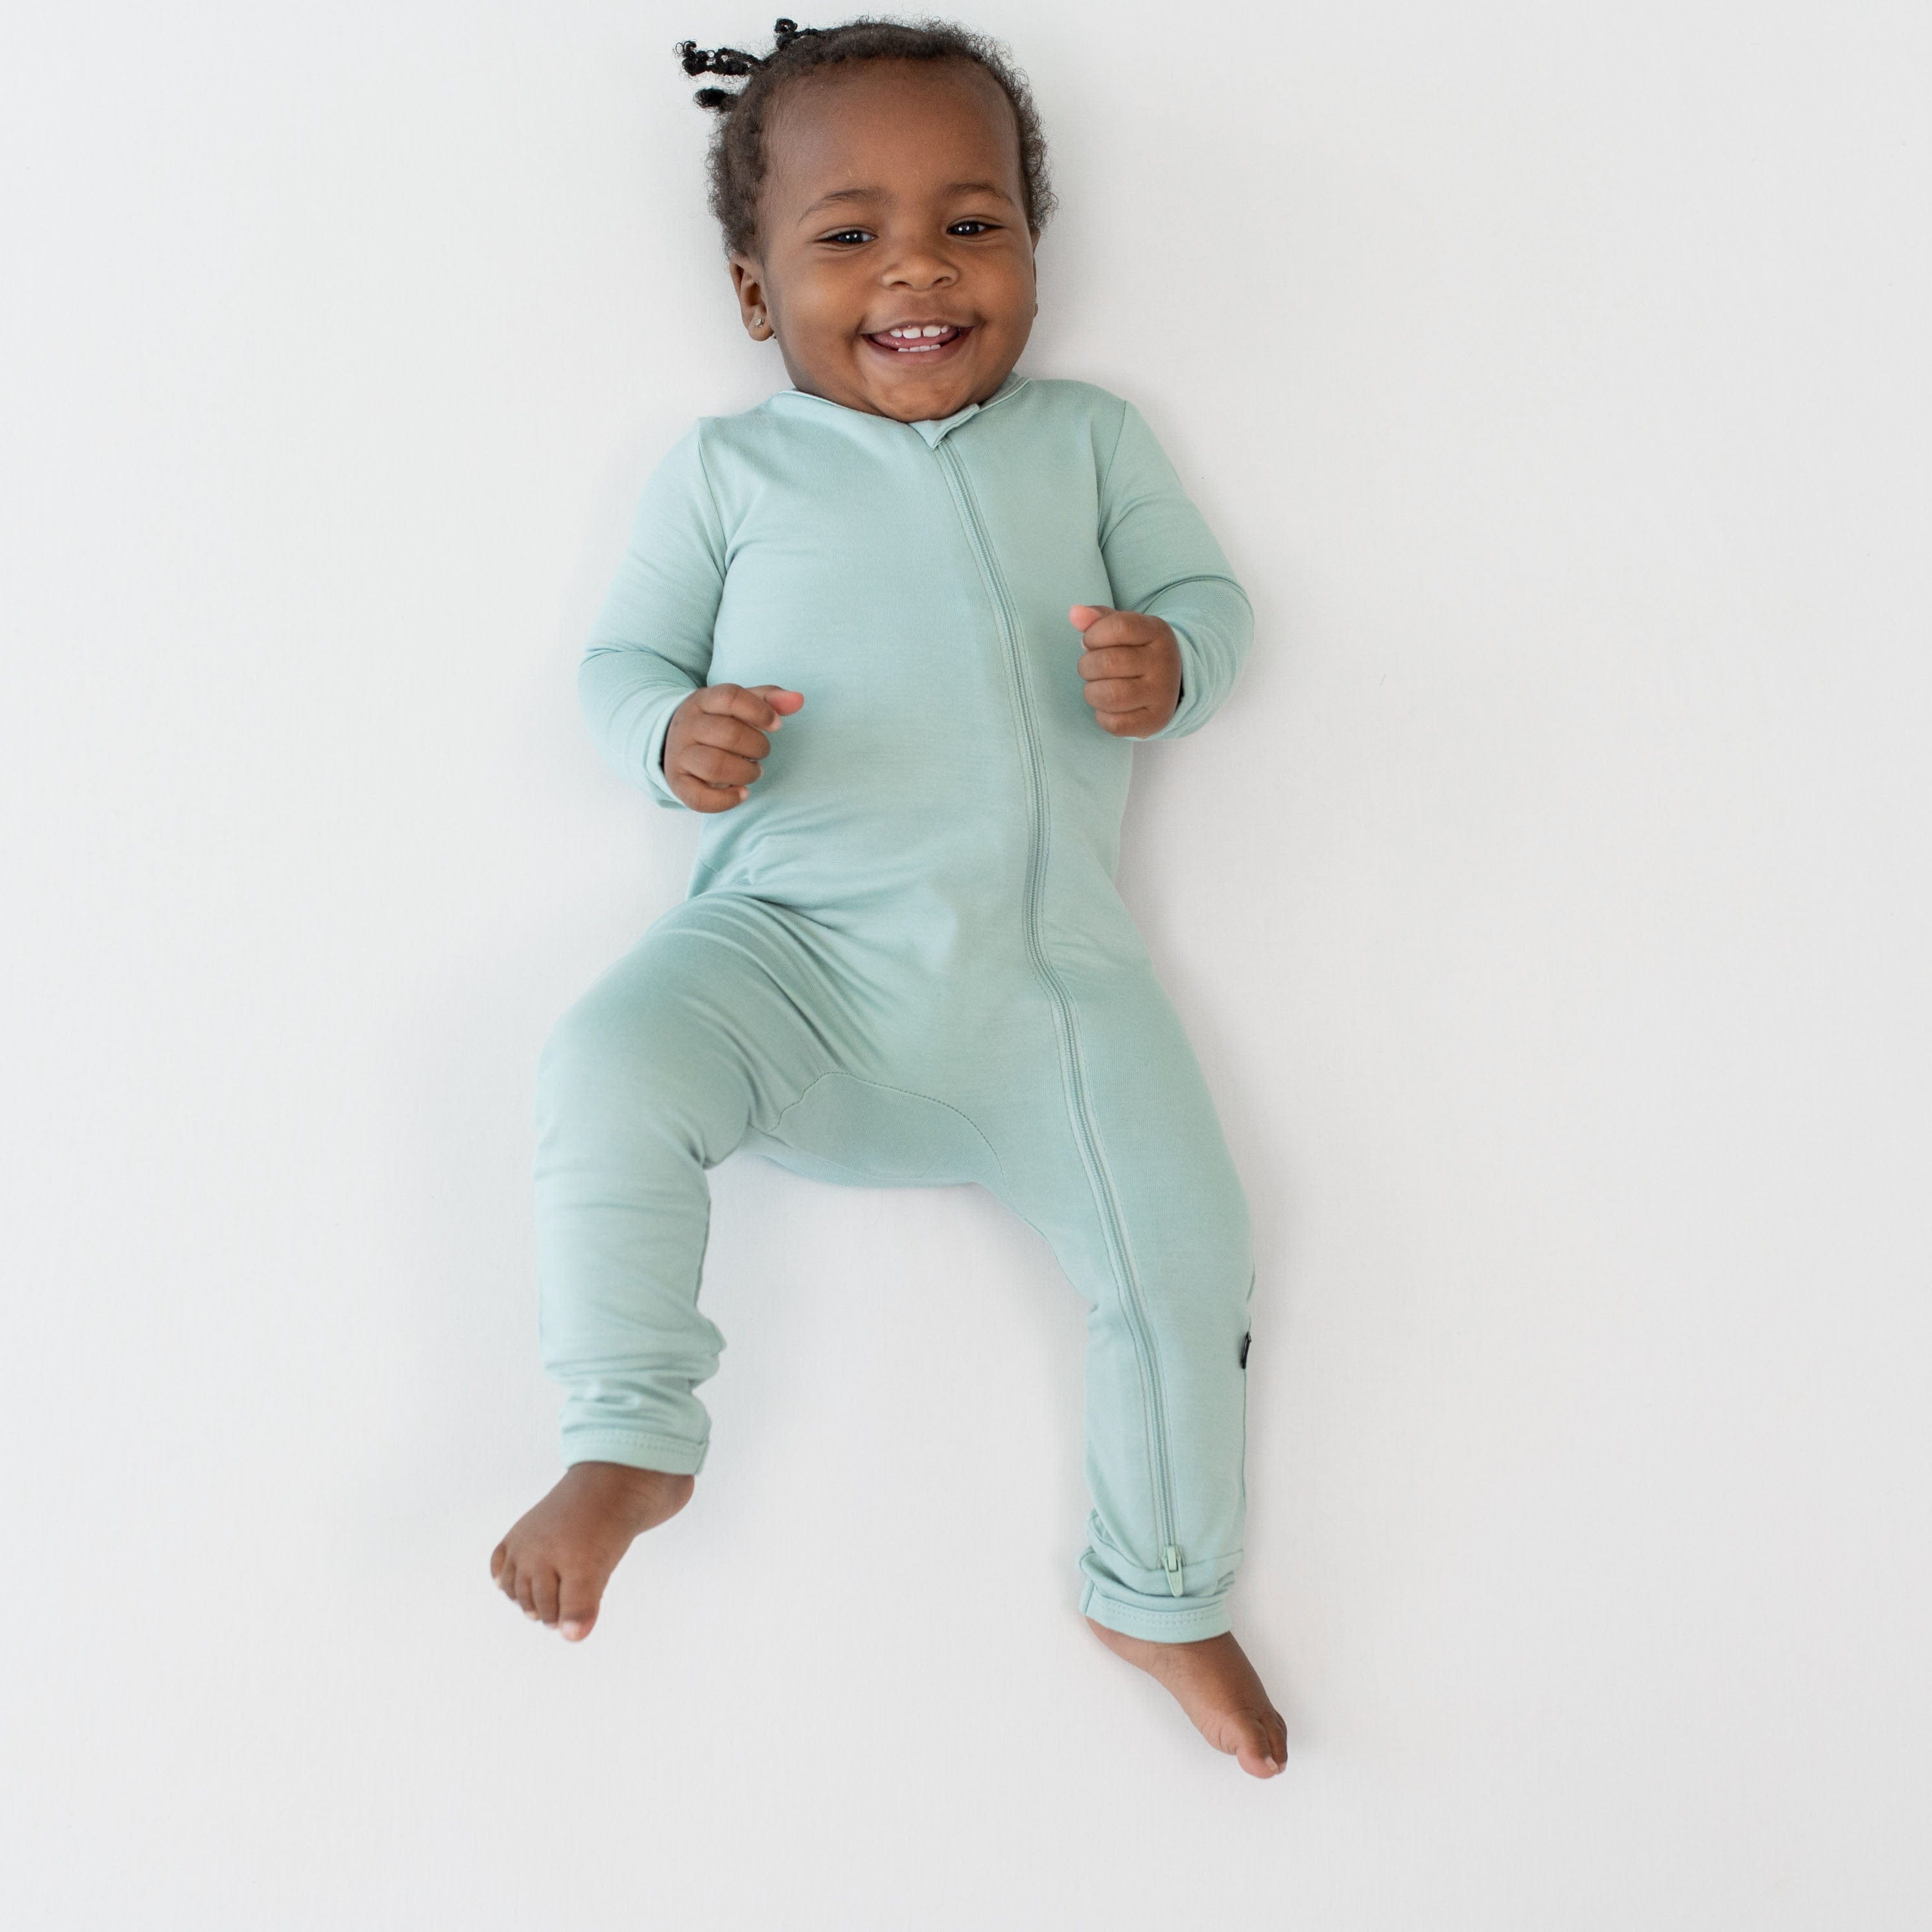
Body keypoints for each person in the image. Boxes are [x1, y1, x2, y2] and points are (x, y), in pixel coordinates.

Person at [489, 16, 1287, 1777]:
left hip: (1052, 995)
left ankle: (1161, 1587)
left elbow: (1204, 595)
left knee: (1191, 1264)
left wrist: (1179, 660)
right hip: (786, 961)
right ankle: (629, 1430)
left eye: (972, 222)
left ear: (1030, 245)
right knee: (605, 1061)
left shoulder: (1087, 440)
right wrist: (669, 738)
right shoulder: (729, 471)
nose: (918, 264)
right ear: (757, 292)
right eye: (847, 235)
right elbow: (624, 657)